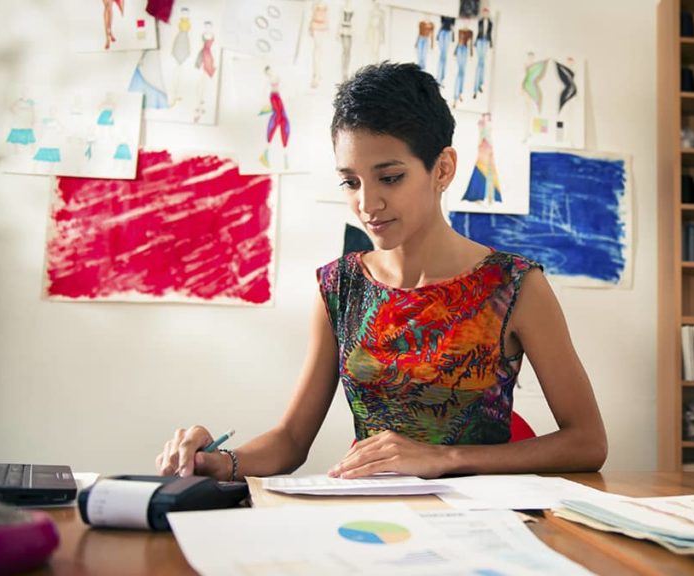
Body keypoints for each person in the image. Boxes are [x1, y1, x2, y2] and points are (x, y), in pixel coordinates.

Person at [155, 62, 607, 481]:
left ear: (443, 168)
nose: (367, 205)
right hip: (372, 511)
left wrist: (444, 458)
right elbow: (291, 441)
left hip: (485, 519)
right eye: (351, 182)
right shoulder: (339, 287)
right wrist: (215, 462)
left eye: (389, 177)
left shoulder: (515, 286)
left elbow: (588, 442)